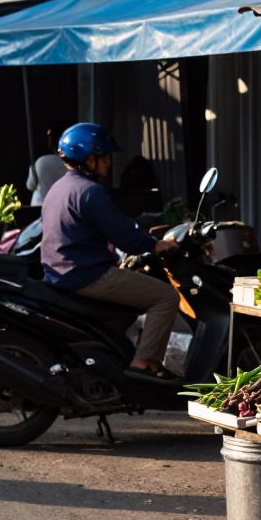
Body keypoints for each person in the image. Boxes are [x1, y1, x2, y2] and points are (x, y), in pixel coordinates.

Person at [39, 123, 182, 380]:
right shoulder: (91, 192)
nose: (109, 163)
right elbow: (126, 236)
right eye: (105, 157)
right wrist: (156, 245)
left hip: (62, 273)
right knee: (166, 297)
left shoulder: (58, 189)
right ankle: (143, 364)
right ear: (89, 159)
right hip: (86, 275)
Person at [27, 122, 73, 206]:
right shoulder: (74, 163)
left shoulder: (41, 162)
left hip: (40, 208)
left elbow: (30, 185)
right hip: (64, 208)